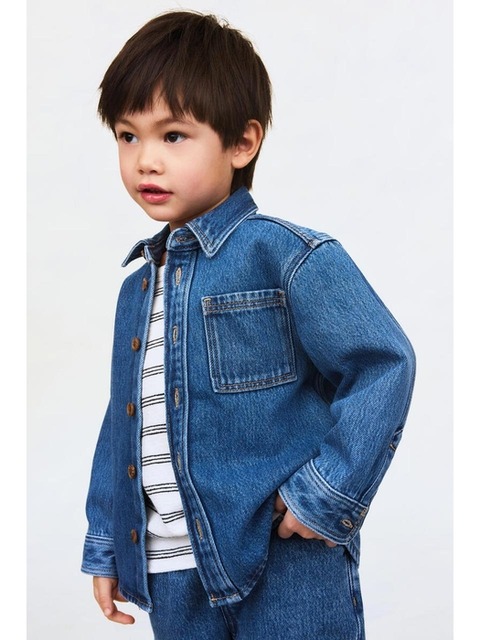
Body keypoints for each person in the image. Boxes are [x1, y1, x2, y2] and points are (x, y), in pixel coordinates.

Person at [81, 10, 416, 639]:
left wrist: (327, 494)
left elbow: (382, 363)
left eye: (173, 135)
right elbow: (123, 421)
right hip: (171, 569)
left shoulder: (286, 256)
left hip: (284, 558)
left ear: (242, 143)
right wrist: (106, 540)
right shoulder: (136, 290)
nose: (145, 160)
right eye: (127, 136)